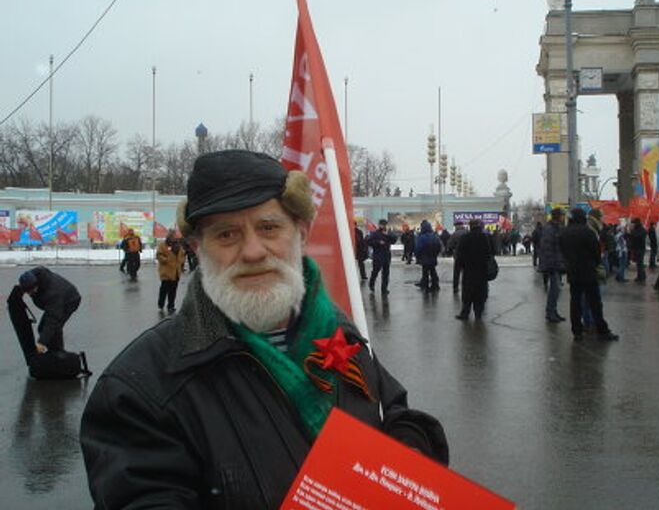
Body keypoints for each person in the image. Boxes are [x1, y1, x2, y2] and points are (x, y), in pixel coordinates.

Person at [80, 150, 449, 509]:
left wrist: (407, 454)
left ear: (300, 232)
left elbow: (392, 411)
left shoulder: (336, 328)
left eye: (268, 227)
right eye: (226, 235)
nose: (253, 251)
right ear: (198, 247)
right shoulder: (141, 390)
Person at [559, 208, 619, 342]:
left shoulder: (564, 232)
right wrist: (595, 263)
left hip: (573, 273)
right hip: (589, 272)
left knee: (575, 303)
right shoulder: (587, 232)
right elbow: (596, 252)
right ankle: (602, 330)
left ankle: (577, 331)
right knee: (595, 303)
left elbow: (562, 251)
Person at [17, 266, 81, 353]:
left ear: (37, 284)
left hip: (70, 301)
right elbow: (24, 286)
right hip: (58, 298)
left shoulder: (52, 294)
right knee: (42, 329)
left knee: (54, 328)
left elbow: (52, 319)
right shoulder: (31, 277)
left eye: (32, 291)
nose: (31, 293)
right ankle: (53, 353)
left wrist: (41, 342)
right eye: (27, 291)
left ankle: (59, 355)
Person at [454, 219, 493, 320]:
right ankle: (478, 313)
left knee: (467, 292)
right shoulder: (484, 237)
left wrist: (461, 266)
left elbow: (460, 254)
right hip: (482, 270)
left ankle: (465, 313)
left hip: (469, 269)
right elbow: (489, 253)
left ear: (470, 226)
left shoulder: (465, 237)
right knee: (480, 292)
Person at [538, 208, 566, 323]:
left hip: (556, 263)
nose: (564, 218)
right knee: (555, 289)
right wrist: (552, 264)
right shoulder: (550, 229)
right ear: (558, 216)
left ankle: (553, 311)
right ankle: (550, 313)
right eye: (563, 215)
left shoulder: (555, 228)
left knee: (556, 289)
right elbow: (548, 248)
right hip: (553, 264)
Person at [156, 232, 186, 314]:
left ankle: (171, 306)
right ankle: (161, 304)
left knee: (173, 290)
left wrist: (181, 261)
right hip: (166, 272)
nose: (174, 238)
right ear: (169, 237)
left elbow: (182, 254)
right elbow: (159, 255)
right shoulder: (163, 245)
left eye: (175, 237)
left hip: (176, 272)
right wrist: (165, 260)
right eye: (172, 236)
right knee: (164, 290)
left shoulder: (178, 246)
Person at [366, 219, 396, 295]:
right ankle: (371, 284)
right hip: (378, 255)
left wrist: (387, 235)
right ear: (379, 225)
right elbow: (369, 242)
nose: (383, 226)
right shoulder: (375, 233)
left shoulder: (388, 233)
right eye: (382, 224)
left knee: (386, 273)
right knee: (375, 271)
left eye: (384, 224)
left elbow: (394, 240)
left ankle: (384, 289)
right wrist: (378, 242)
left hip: (386, 255)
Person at [415, 220, 442, 292]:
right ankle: (435, 285)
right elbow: (439, 246)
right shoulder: (435, 236)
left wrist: (417, 256)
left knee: (425, 272)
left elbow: (418, 248)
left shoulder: (422, 237)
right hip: (433, 257)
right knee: (433, 271)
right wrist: (436, 254)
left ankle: (426, 286)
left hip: (424, 257)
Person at [446, 221, 468, 293]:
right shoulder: (467, 232)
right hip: (467, 255)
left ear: (458, 226)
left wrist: (449, 251)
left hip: (458, 255)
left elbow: (450, 245)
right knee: (466, 272)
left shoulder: (455, 234)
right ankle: (466, 286)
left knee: (457, 272)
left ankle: (455, 287)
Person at [628, 217, 647, 283]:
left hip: (640, 248)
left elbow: (637, 236)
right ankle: (641, 276)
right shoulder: (638, 229)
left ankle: (641, 277)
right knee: (639, 264)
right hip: (637, 248)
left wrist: (631, 232)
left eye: (634, 223)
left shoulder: (641, 229)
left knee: (640, 264)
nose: (633, 224)